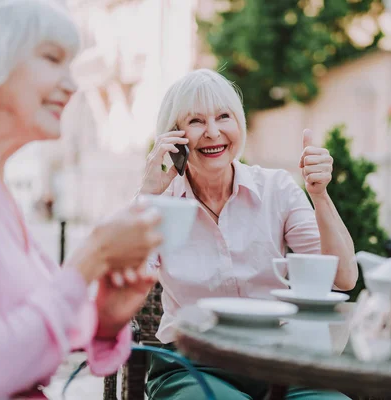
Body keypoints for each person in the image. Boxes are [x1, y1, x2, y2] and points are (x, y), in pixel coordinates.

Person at [0, 1, 162, 398]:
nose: (72, 84)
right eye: (52, 59)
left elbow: (22, 329)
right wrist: (90, 259)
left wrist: (102, 317)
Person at [138, 68, 356, 399]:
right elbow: (125, 284)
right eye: (196, 121)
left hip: (282, 360)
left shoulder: (277, 189)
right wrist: (147, 196)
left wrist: (320, 194)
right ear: (173, 136)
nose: (213, 132)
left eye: (223, 117)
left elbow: (343, 277)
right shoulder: (160, 203)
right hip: (192, 364)